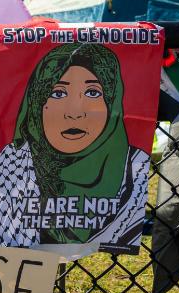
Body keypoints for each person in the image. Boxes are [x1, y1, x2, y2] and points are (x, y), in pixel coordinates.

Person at [9, 43, 147, 246]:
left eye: (92, 93)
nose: (74, 112)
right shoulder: (13, 162)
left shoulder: (135, 166)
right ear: (37, 100)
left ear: (112, 99)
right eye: (57, 93)